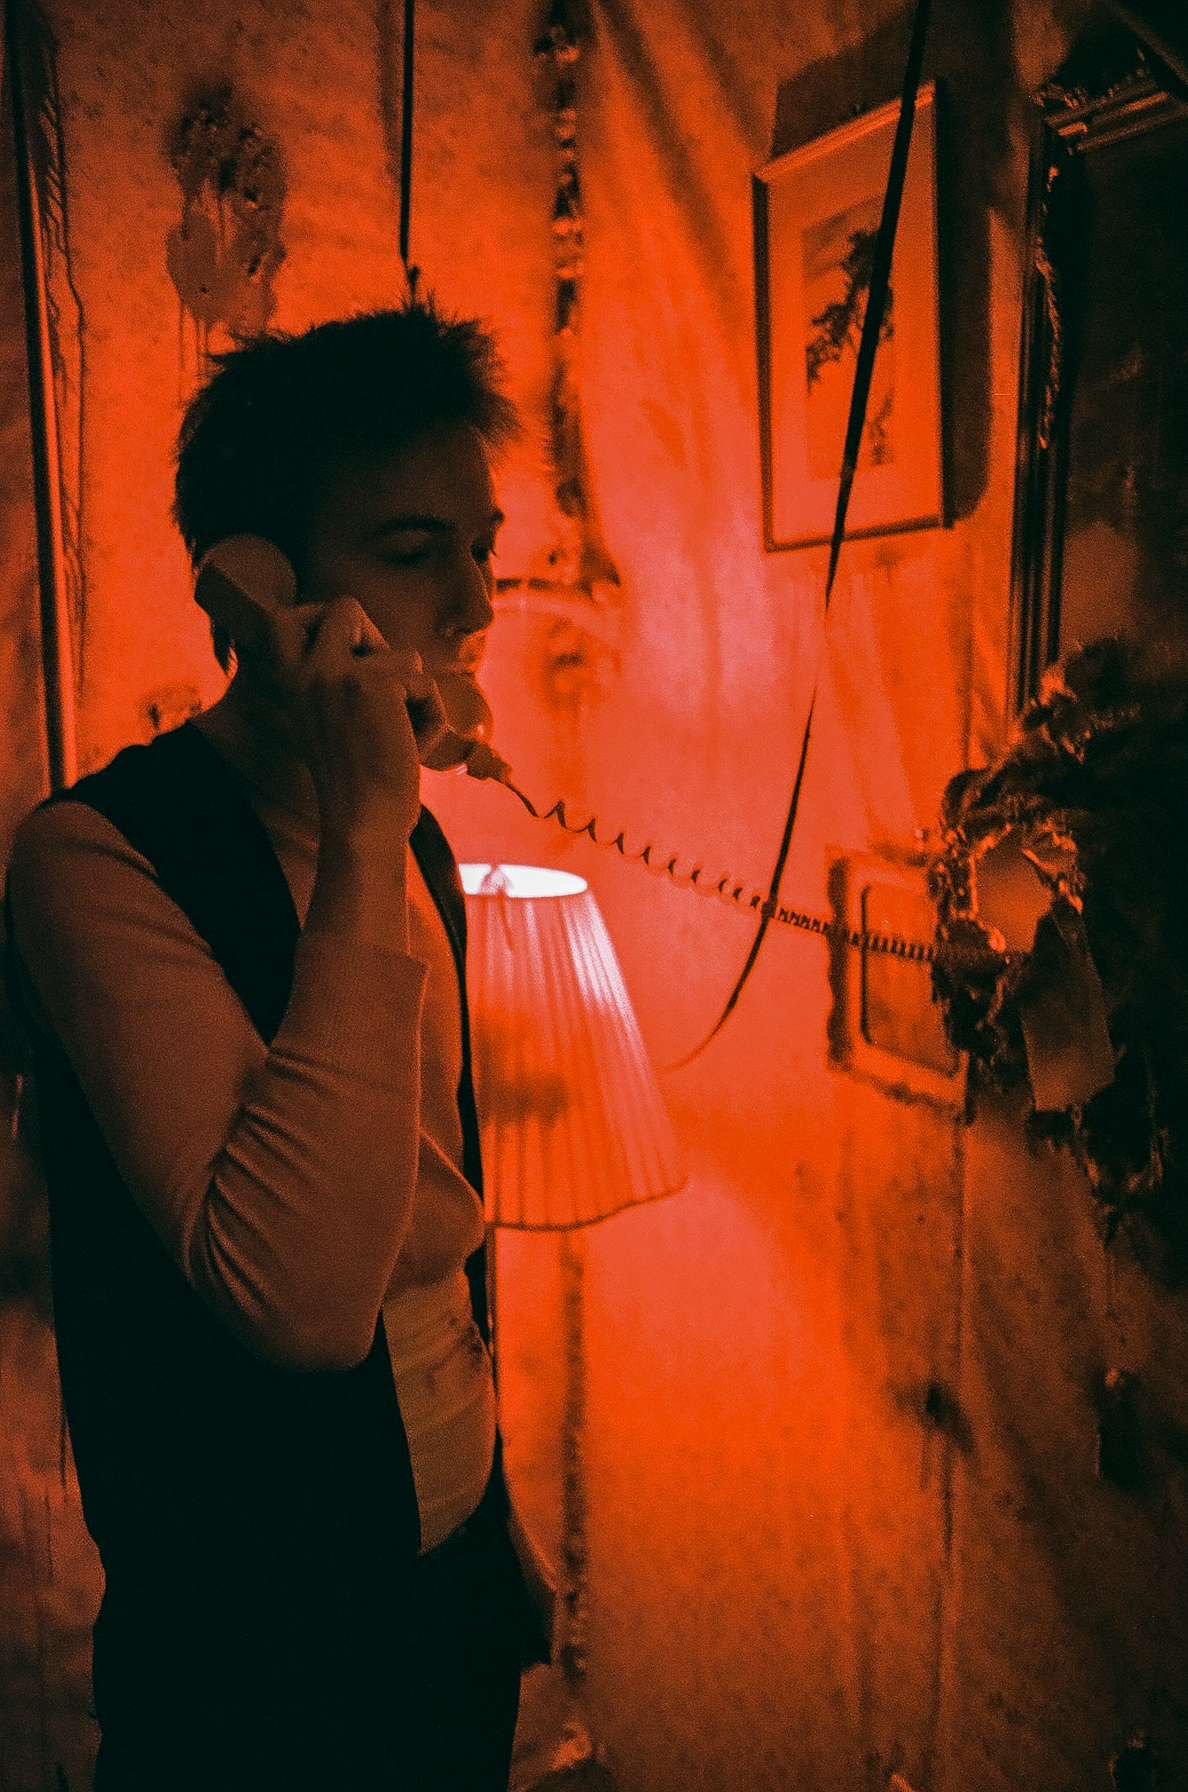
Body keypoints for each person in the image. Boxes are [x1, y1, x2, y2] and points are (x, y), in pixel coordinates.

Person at [5, 302, 551, 1790]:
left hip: (451, 1573)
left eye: (481, 547)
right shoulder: (95, 861)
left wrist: (495, 1523)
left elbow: (428, 1213)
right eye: (414, 549)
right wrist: (369, 834)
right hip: (251, 1642)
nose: (475, 604)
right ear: (256, 588)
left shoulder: (417, 843)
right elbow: (304, 1300)